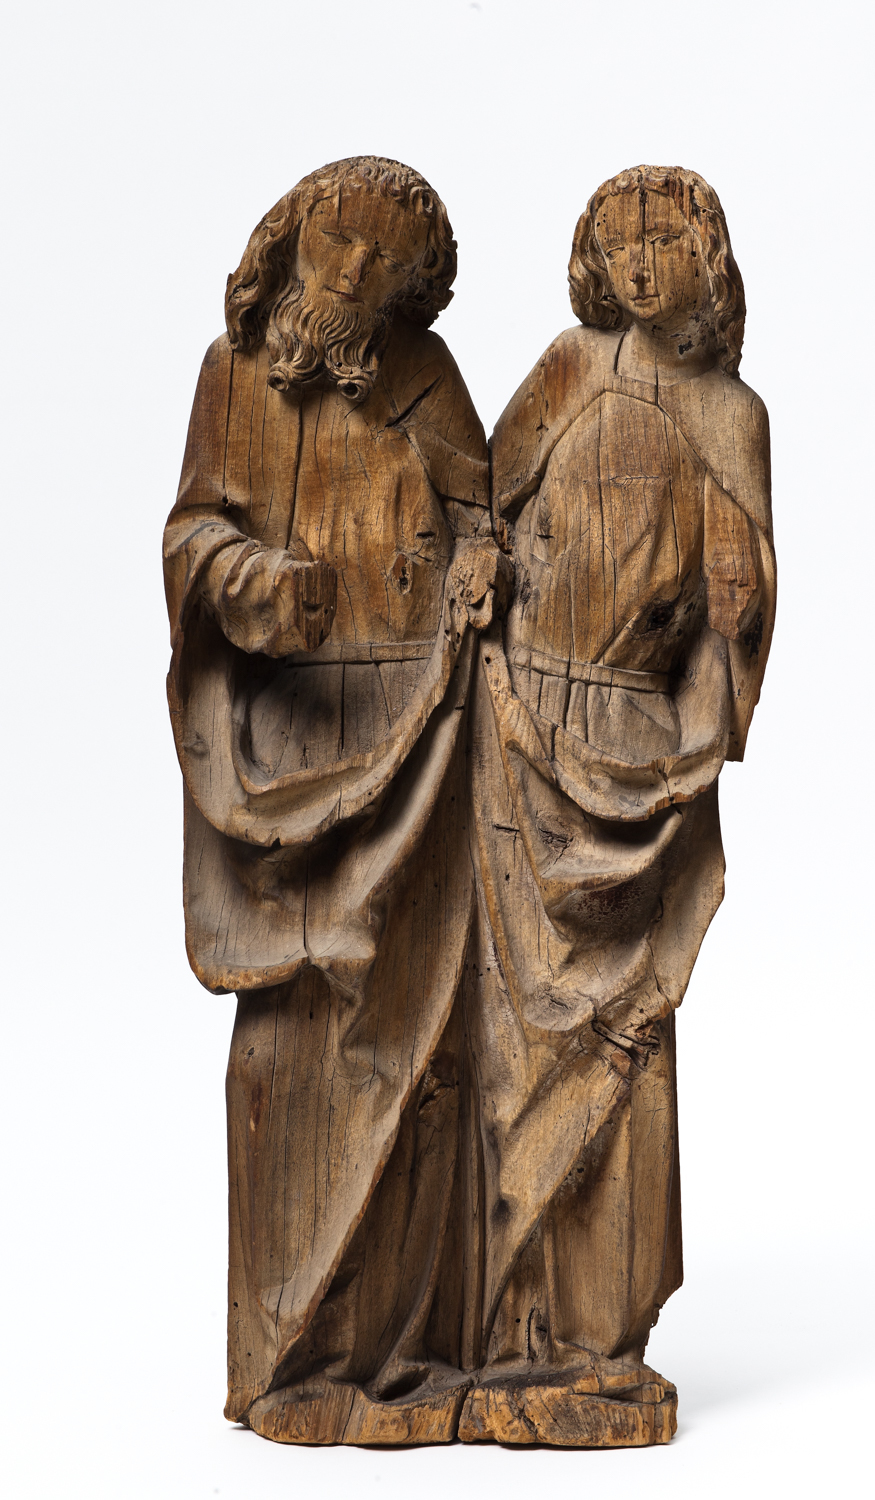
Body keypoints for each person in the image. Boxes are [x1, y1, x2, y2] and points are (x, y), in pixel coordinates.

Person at [163, 157, 506, 1445]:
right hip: (287, 735)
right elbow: (190, 534)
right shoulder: (232, 374)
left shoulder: (426, 379)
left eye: (384, 264)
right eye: (337, 243)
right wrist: (249, 580)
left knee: (411, 1041)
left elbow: (484, 515)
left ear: (414, 290)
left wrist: (477, 565)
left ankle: (397, 1347)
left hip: (415, 732)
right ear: (291, 237)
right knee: (288, 1044)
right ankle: (282, 1352)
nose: (353, 275)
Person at [458, 165, 776, 1446]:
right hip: (521, 734)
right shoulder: (569, 367)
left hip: (639, 749)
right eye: (619, 239)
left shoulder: (732, 412)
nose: (641, 262)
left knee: (624, 1037)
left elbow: (740, 606)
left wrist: (736, 599)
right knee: (510, 1037)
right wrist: (482, 559)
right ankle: (505, 1326)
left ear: (709, 260)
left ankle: (601, 1334)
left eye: (665, 240)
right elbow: (483, 498)